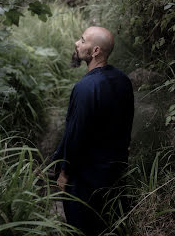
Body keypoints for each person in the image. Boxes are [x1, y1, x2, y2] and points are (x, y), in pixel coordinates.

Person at [52, 26, 134, 236]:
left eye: (82, 40)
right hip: (114, 174)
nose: (77, 43)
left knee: (80, 228)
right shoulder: (123, 80)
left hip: (85, 178)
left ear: (95, 51)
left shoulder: (85, 88)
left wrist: (63, 173)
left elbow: (75, 134)